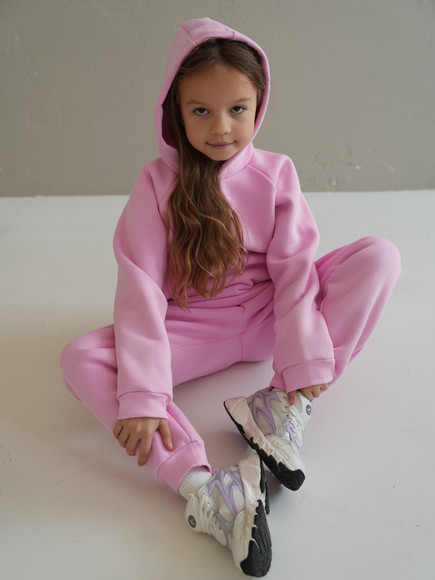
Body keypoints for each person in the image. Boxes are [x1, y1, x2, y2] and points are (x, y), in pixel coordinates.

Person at [60, 17, 401, 577]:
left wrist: (300, 361)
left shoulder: (276, 173)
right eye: (201, 111)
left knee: (379, 257)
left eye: (237, 109)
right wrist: (143, 395)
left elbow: (295, 273)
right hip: (191, 330)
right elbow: (140, 287)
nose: (221, 127)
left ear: (258, 106)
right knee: (80, 358)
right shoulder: (156, 184)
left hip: (269, 318)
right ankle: (207, 488)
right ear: (175, 111)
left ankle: (280, 406)